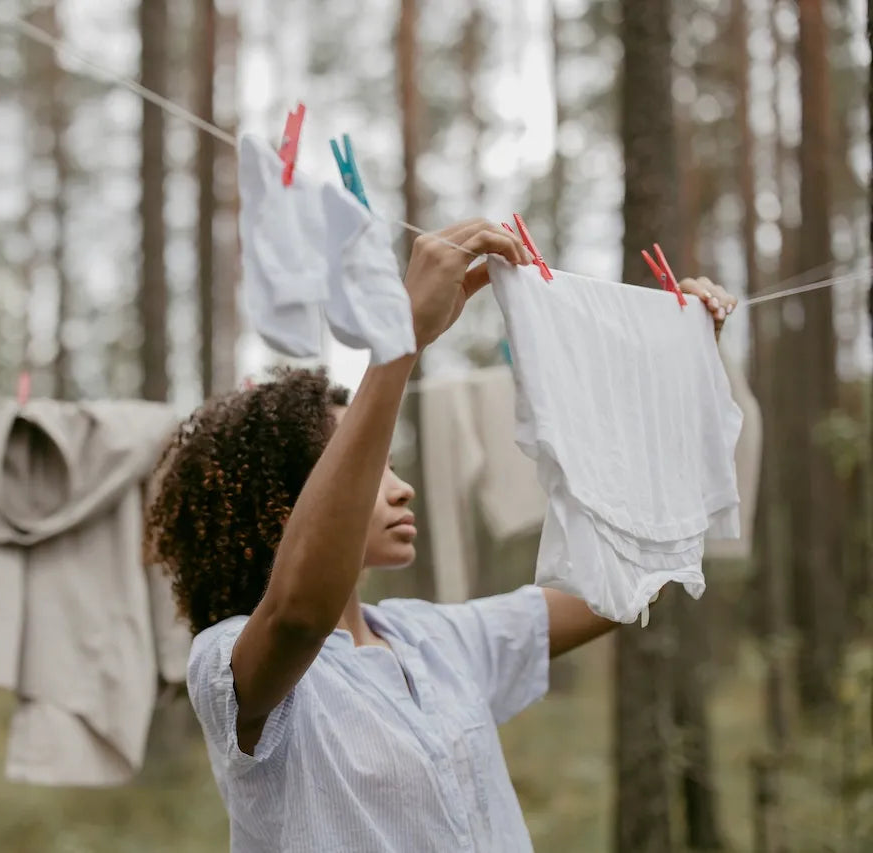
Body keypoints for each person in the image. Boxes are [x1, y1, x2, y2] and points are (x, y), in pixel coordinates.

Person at [145, 219, 738, 853]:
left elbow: (623, 579)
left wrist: (676, 376)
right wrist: (399, 343)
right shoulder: (225, 660)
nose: (401, 489)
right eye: (372, 469)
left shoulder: (435, 640)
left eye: (391, 466)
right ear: (284, 505)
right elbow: (297, 616)